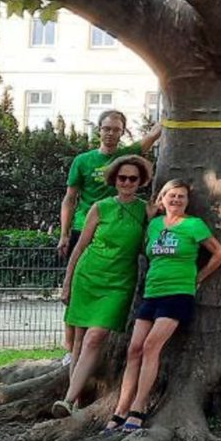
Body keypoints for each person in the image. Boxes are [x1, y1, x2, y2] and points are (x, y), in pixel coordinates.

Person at [102, 178, 221, 432]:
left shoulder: (193, 225)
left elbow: (220, 253)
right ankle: (120, 410)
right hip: (151, 293)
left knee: (151, 346)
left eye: (182, 196)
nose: (176, 200)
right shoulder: (155, 225)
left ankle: (138, 408)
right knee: (134, 349)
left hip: (178, 293)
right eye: (172, 195)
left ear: (187, 202)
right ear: (162, 198)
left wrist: (198, 278)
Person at [58, 109, 161, 362]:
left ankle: (95, 345)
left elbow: (156, 132)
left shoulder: (129, 155)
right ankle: (70, 351)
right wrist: (64, 233)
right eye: (107, 128)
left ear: (123, 132)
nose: (111, 133)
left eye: (116, 129)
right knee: (75, 291)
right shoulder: (83, 161)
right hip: (86, 226)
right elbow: (70, 199)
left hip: (120, 225)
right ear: (99, 130)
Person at [53, 153, 153, 416]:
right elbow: (80, 247)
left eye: (133, 178)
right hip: (89, 275)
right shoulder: (100, 207)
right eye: (122, 178)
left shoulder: (144, 209)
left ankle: (68, 398)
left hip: (119, 282)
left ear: (140, 181)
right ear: (114, 179)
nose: (127, 182)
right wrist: (68, 282)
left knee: (95, 337)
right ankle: (73, 400)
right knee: (78, 342)